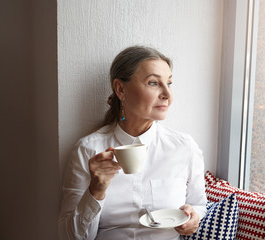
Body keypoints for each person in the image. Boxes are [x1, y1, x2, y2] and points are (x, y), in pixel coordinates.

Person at [59, 46, 207, 240]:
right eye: (154, 83)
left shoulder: (184, 147)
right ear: (121, 89)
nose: (167, 95)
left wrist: (193, 218)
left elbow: (198, 204)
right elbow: (70, 237)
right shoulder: (88, 149)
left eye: (169, 83)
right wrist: (96, 190)